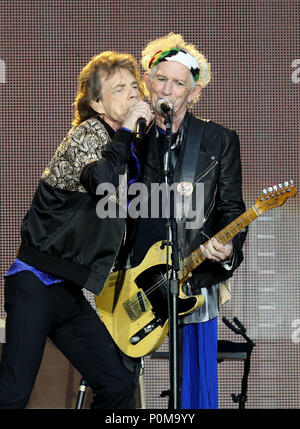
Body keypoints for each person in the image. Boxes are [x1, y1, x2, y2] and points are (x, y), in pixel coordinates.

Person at [0, 51, 153, 409]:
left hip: (67, 292)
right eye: (120, 89)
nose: (133, 94)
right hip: (34, 282)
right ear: (98, 103)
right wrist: (129, 129)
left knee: (116, 386)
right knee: (13, 394)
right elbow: (102, 181)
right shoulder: (86, 135)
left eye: (135, 86)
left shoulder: (128, 149)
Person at [123, 33, 248, 409]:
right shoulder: (129, 137)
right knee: (118, 381)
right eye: (161, 78)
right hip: (133, 280)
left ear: (193, 94)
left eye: (180, 83)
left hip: (193, 276)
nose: (169, 89)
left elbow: (232, 209)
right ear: (148, 81)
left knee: (192, 387)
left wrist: (227, 250)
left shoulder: (218, 139)